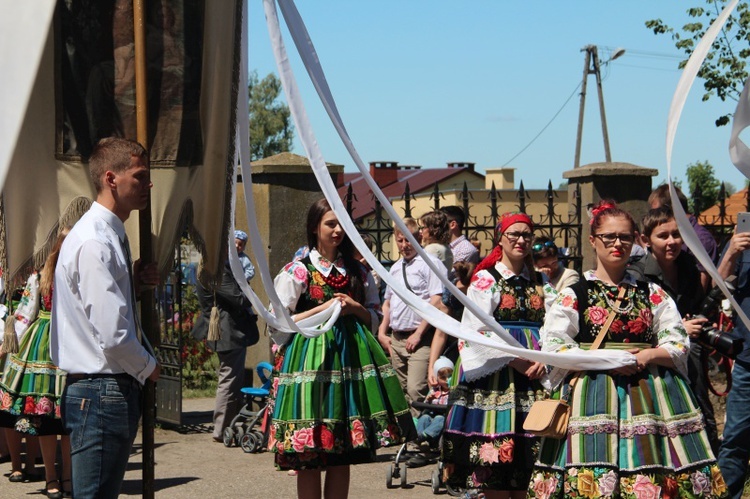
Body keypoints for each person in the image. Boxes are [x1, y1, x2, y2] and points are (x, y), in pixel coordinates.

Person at [530, 200, 726, 499]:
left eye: (624, 236)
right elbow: (555, 346)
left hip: (650, 395)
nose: (617, 243)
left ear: (635, 240)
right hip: (592, 395)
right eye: (609, 236)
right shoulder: (574, 295)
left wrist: (648, 355)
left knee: (652, 476)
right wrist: (606, 360)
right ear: (593, 240)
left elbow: (677, 339)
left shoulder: (651, 292)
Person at [268, 199, 414, 499]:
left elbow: (374, 317)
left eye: (341, 225)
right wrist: (323, 309)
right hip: (309, 365)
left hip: (349, 365)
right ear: (314, 227)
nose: (337, 231)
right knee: (309, 452)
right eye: (330, 224)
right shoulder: (298, 271)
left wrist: (355, 307)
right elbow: (278, 320)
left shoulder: (358, 273)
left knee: (342, 451)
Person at [50, 137, 160, 499]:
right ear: (111, 178)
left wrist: (132, 275)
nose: (148, 185)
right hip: (102, 390)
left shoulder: (106, 234)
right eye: (140, 177)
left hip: (103, 390)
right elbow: (113, 335)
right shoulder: (96, 240)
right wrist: (148, 366)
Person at [443, 212, 554, 497]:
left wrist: (545, 357)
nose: (520, 240)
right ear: (500, 238)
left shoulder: (541, 281)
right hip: (496, 377)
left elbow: (556, 324)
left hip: (534, 375)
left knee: (529, 466)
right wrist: (516, 360)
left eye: (527, 235)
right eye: (513, 234)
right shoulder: (485, 278)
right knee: (494, 468)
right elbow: (474, 330)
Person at [628, 206, 720, 454]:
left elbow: (696, 306)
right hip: (655, 365)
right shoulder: (636, 275)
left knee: (701, 415)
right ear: (645, 240)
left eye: (676, 234)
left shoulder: (688, 266)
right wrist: (680, 329)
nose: (672, 242)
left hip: (690, 358)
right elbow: (636, 327)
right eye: (663, 236)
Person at [0, 230, 73, 498]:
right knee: (44, 418)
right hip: (43, 348)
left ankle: (67, 476)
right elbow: (25, 314)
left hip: (71, 345)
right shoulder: (39, 277)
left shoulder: (80, 274)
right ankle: (51, 478)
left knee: (68, 420)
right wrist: (8, 349)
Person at [378, 217, 446, 417]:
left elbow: (436, 301)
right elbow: (388, 302)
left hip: (420, 338)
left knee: (416, 389)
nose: (404, 245)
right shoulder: (396, 267)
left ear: (418, 237)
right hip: (397, 338)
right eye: (400, 240)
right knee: (400, 390)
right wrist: (382, 331)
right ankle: (408, 435)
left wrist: (418, 333)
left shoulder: (430, 264)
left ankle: (421, 435)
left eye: (408, 239)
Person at [192, 261, 259, 444]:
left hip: (225, 329)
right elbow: (238, 298)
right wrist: (247, 289)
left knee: (229, 378)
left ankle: (227, 424)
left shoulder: (206, 266)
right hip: (228, 331)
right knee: (229, 379)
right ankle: (222, 428)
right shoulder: (216, 268)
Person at [716, 226, 750, 498]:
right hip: (748, 359)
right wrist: (731, 253)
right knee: (735, 439)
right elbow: (719, 287)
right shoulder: (741, 238)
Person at [648, 184, 718, 290]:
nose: (654, 217)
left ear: (670, 210)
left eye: (657, 212)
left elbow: (700, 290)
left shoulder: (700, 239)